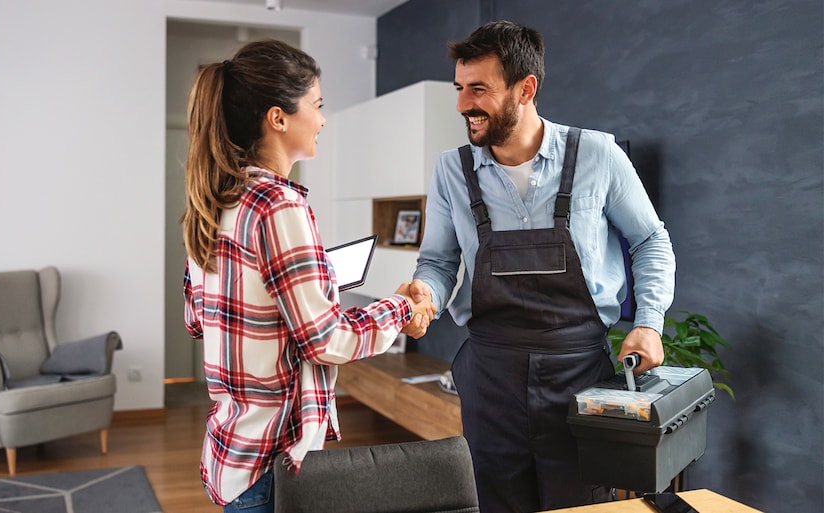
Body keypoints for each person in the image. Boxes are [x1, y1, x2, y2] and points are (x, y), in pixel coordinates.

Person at [404, 21, 676, 512]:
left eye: (480, 89)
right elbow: (440, 262)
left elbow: (651, 240)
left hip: (580, 377)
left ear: (525, 88)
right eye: (460, 89)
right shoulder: (452, 169)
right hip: (490, 377)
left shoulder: (598, 154)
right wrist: (426, 291)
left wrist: (650, 323)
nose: (465, 104)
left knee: (583, 504)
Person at [181, 40, 434, 513]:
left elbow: (202, 319)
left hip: (231, 452)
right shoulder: (278, 205)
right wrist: (401, 309)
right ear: (278, 118)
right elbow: (326, 341)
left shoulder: (216, 201)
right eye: (316, 106)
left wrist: (311, 286)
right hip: (272, 465)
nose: (321, 120)